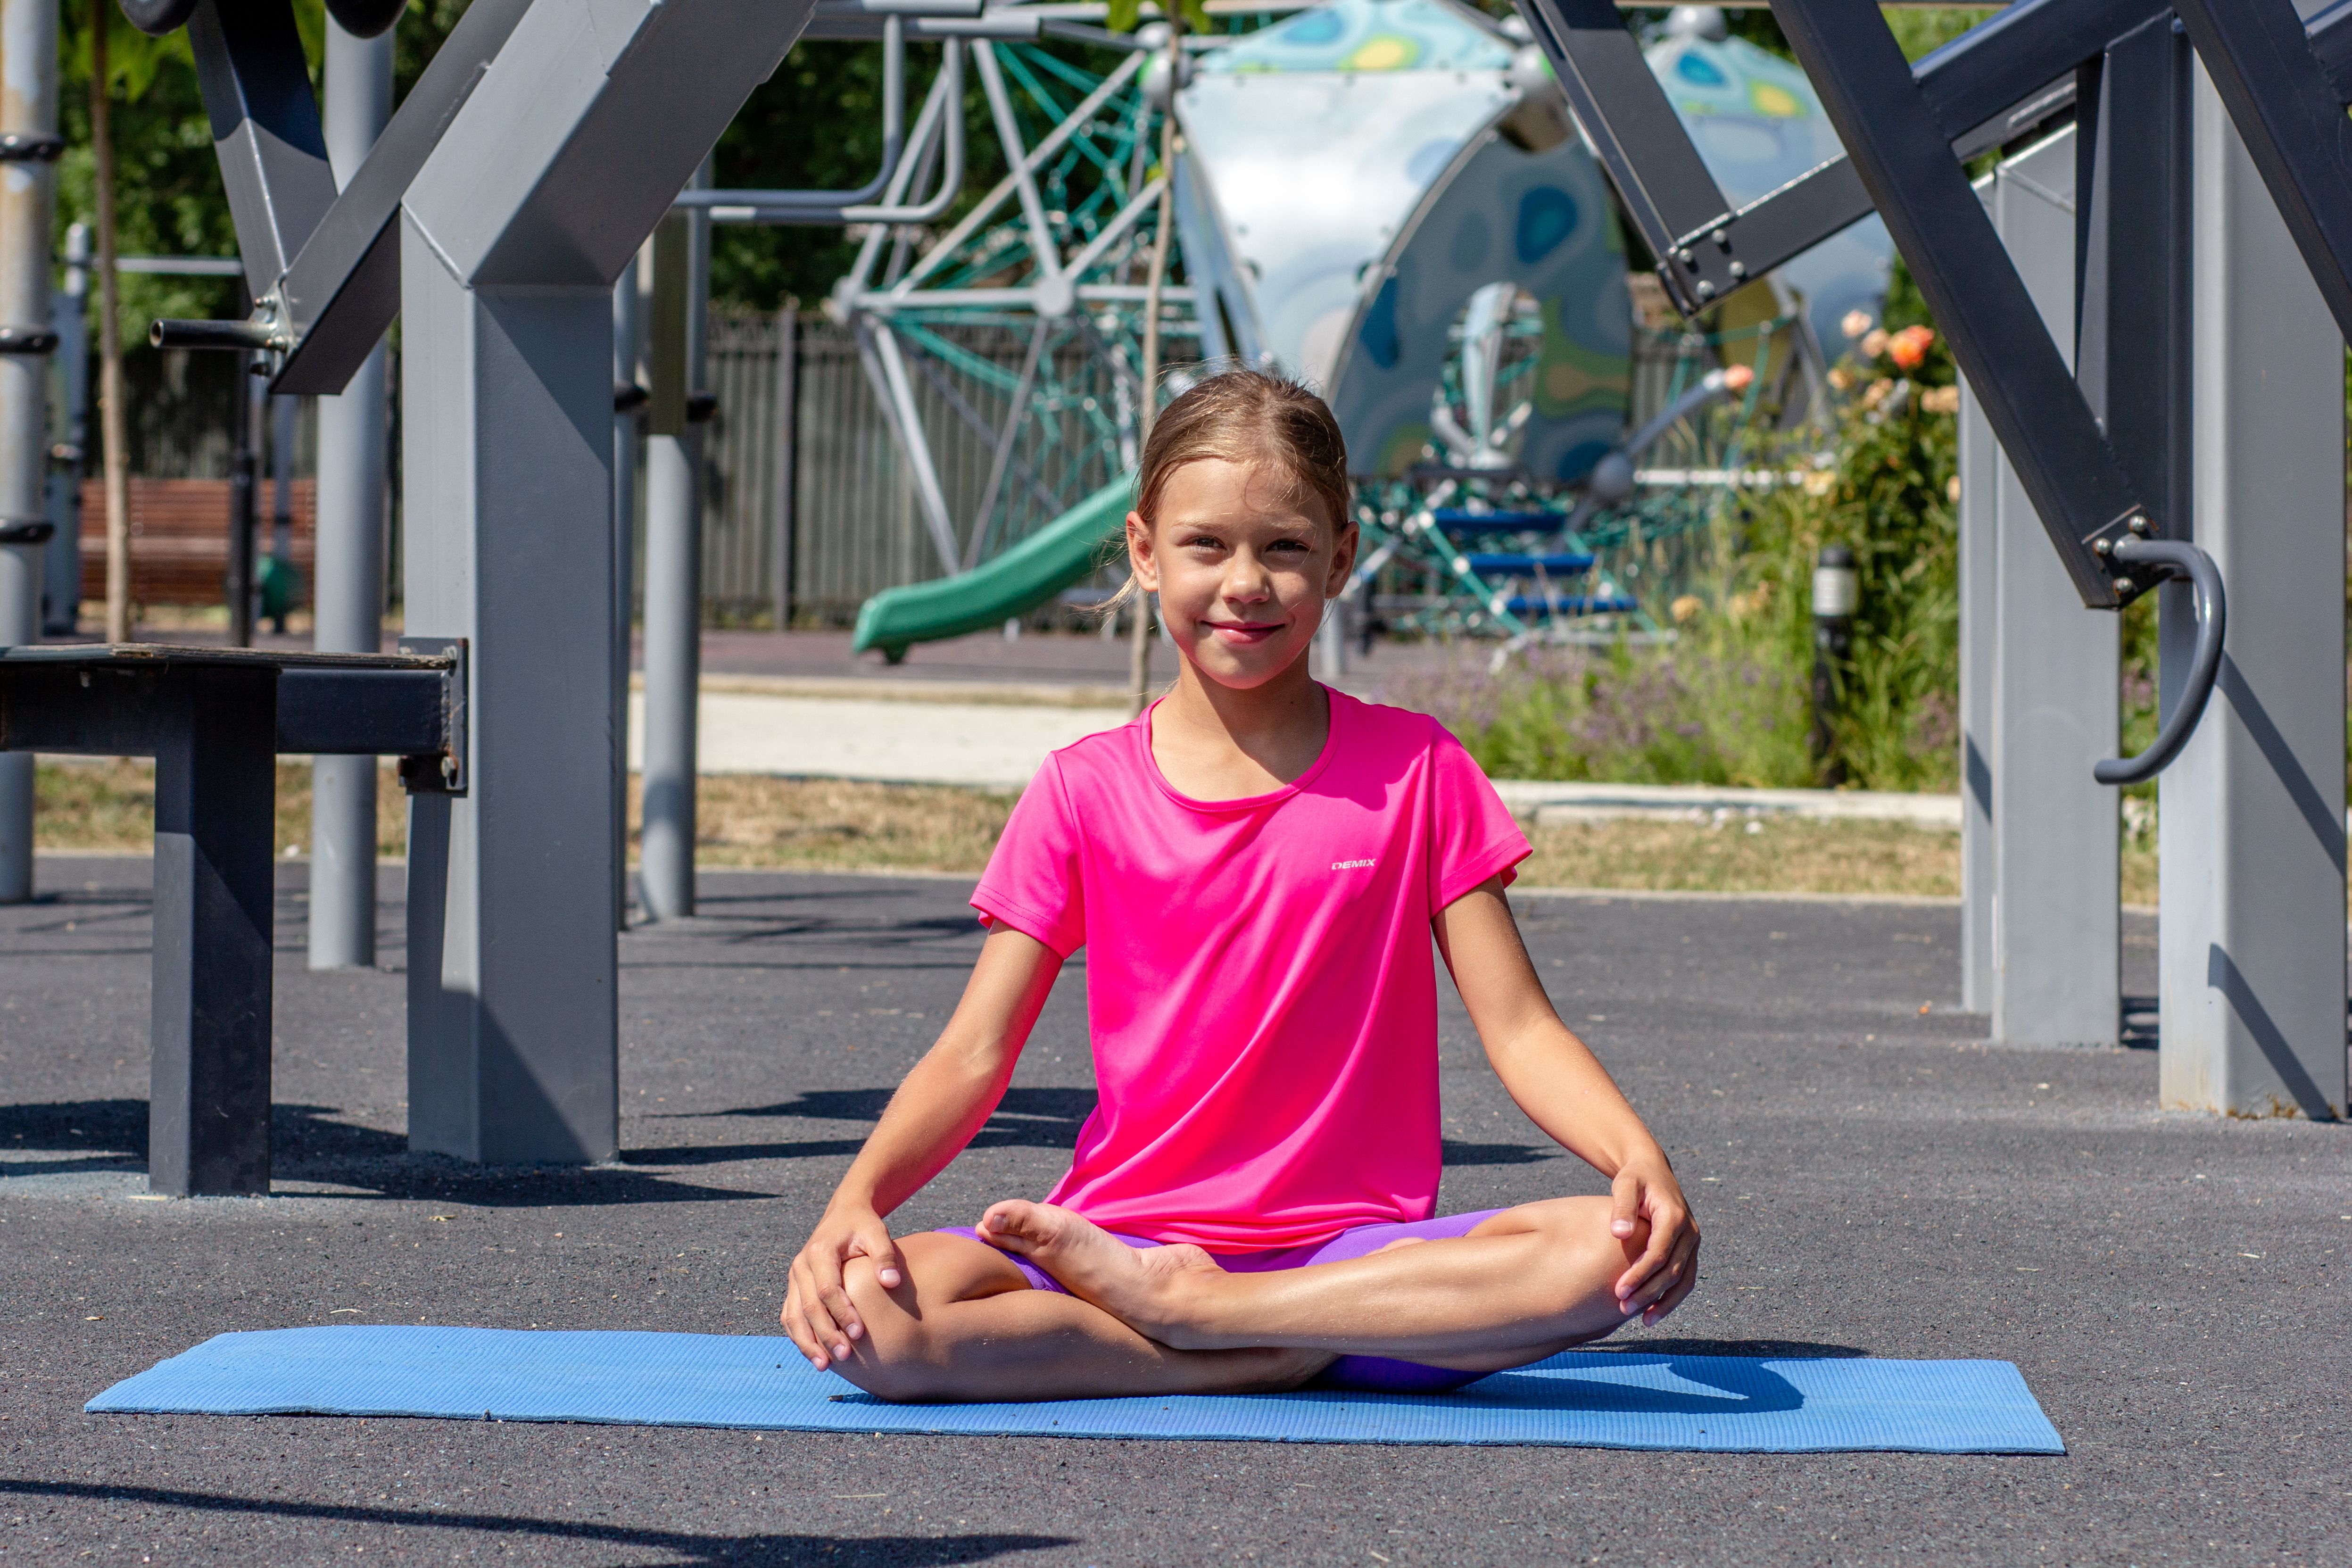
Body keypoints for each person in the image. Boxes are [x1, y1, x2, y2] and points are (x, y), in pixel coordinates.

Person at [780, 369, 1699, 1402]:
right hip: (1118, 1245)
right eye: (1206, 545)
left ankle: (1214, 1322)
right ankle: (1253, 1350)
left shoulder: (1420, 770)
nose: (1245, 581)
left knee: (1605, 1248)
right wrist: (852, 1200)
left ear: (1341, 557)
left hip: (1357, 1272)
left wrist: (1637, 1156)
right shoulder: (1083, 788)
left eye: (1286, 548)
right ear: (1144, 551)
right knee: (869, 1315)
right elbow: (976, 1049)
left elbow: (1521, 1028)